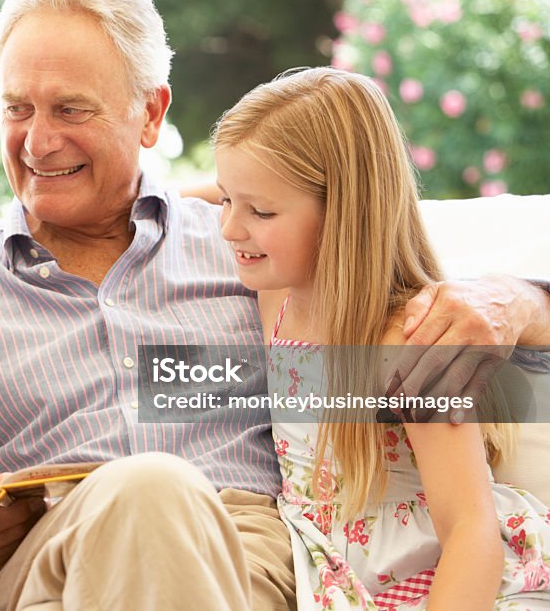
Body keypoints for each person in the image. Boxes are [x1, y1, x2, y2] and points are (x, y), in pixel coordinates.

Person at [0, 0, 550, 610]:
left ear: (151, 114)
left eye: (71, 108)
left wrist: (520, 299)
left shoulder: (253, 255)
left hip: (238, 555)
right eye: (17, 108)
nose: (38, 142)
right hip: (47, 562)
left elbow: (363, 233)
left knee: (154, 493)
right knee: (145, 490)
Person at [214, 66, 550, 609]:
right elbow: (236, 184)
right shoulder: (276, 295)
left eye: (259, 211)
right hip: (339, 575)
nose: (229, 227)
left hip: (452, 578)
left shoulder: (411, 342)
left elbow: (470, 530)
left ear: (343, 213)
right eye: (228, 199)